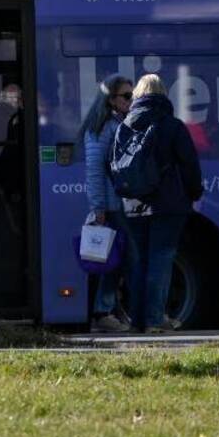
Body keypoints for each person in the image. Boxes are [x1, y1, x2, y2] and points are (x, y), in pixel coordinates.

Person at [118, 74, 202, 333]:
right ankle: (155, 320)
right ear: (164, 94)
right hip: (169, 205)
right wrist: (193, 192)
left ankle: (137, 320)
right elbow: (189, 165)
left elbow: (114, 165)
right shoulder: (173, 126)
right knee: (161, 259)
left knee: (138, 261)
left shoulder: (124, 125)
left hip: (133, 203)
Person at [79, 74, 134, 333]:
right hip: (111, 205)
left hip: (119, 203)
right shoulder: (100, 127)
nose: (130, 100)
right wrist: (98, 207)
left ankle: (112, 308)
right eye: (126, 96)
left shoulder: (116, 123)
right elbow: (94, 170)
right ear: (110, 99)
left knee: (118, 259)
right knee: (112, 260)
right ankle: (103, 311)